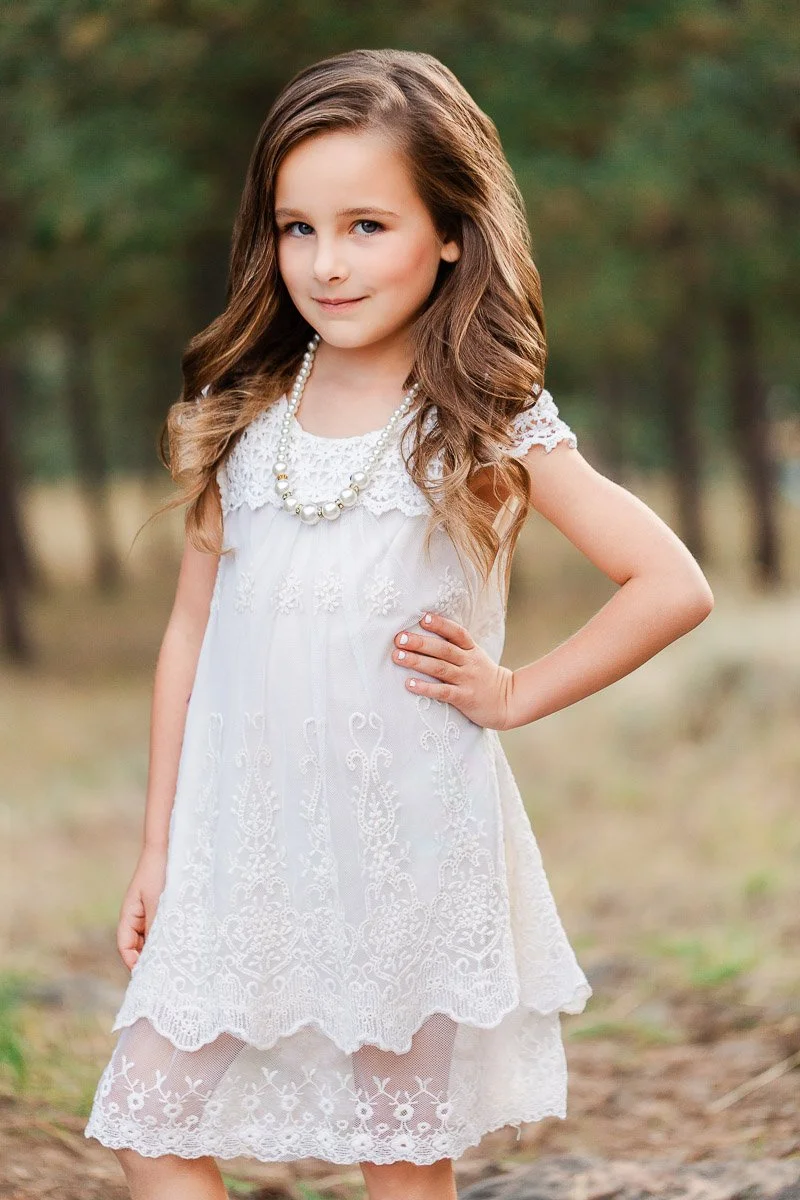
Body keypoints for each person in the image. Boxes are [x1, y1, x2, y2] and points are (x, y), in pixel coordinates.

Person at [83, 47, 713, 1200]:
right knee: (148, 1112)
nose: (325, 262)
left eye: (366, 224)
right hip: (245, 847)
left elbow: (668, 582)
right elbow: (189, 637)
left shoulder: (482, 421)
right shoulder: (244, 416)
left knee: (397, 1161)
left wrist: (513, 692)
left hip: (404, 844)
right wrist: (160, 847)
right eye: (296, 227)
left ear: (450, 234)